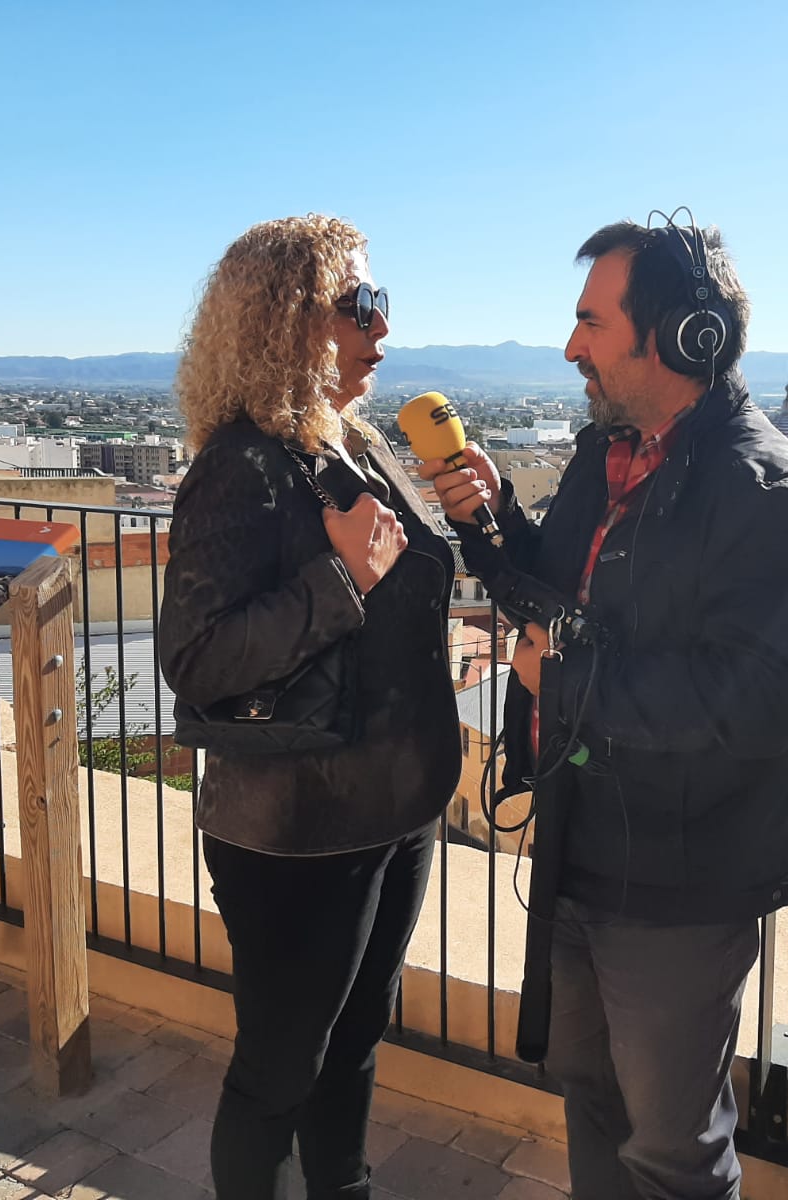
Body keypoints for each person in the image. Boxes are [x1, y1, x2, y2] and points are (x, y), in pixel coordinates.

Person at [423, 218, 788, 1198]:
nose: (570, 348)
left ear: (681, 336)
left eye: (589, 322)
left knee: (670, 1155)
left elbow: (766, 698)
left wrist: (563, 685)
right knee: (590, 1098)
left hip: (681, 885)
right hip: (584, 848)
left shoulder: (769, 499)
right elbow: (559, 606)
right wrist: (489, 532)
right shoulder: (604, 459)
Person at [159, 215, 460, 1199]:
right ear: (289, 320)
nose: (381, 329)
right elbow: (196, 657)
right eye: (361, 305)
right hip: (294, 835)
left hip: (386, 810)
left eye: (382, 306)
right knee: (279, 1071)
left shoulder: (347, 444)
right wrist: (341, 581)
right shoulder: (239, 467)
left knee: (356, 1042)